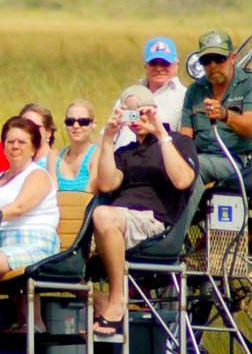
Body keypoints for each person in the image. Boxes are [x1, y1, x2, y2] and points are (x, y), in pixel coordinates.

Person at [91, 86, 199, 338]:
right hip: (118, 219)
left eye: (141, 113)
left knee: (104, 215)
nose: (136, 120)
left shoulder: (179, 143)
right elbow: (107, 184)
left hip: (152, 222)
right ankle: (100, 300)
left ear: (153, 112)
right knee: (61, 247)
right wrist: (108, 138)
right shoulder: (125, 152)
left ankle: (118, 300)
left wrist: (161, 133)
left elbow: (183, 180)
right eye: (130, 115)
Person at [0, 116, 59, 306]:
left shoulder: (38, 175)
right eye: (10, 142)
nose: (15, 146)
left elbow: (19, 207)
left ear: (33, 148)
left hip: (34, 243)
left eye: (22, 142)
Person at [177, 28, 252, 183]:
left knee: (194, 168)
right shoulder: (195, 90)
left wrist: (225, 115)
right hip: (200, 155)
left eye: (219, 59)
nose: (213, 66)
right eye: (206, 61)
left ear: (232, 58)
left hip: (237, 159)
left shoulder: (251, 84)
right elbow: (186, 136)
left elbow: (250, 128)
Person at [114, 36, 187, 147]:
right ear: (145, 65)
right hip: (119, 157)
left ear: (176, 65)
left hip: (156, 159)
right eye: (153, 63)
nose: (159, 68)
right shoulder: (130, 94)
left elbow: (184, 142)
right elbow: (109, 132)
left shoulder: (184, 96)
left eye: (164, 63)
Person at [53, 98, 99, 192]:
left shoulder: (97, 155)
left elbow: (89, 195)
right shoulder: (57, 157)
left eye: (83, 122)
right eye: (70, 122)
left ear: (93, 124)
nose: (76, 126)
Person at [19, 102, 57, 171]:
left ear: (48, 132)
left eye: (35, 126)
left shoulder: (56, 166)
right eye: (23, 126)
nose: (29, 130)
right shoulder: (17, 165)